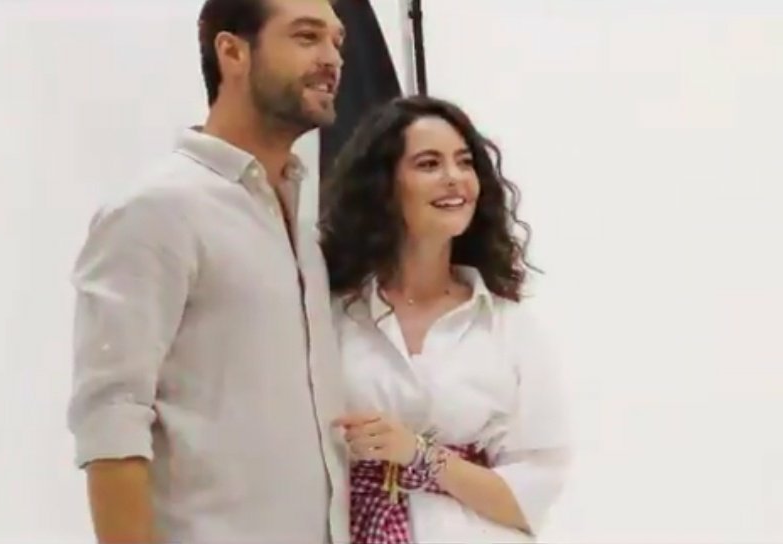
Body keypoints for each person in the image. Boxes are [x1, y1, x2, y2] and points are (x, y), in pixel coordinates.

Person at [66, 1, 349, 542]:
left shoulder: (302, 225)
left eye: (337, 42)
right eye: (307, 36)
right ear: (232, 52)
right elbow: (111, 417)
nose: (332, 58)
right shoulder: (157, 209)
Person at [319, 95, 570, 544]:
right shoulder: (335, 316)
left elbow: (529, 498)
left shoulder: (507, 326)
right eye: (429, 164)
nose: (454, 178)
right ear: (384, 185)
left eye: (464, 162)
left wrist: (419, 456)